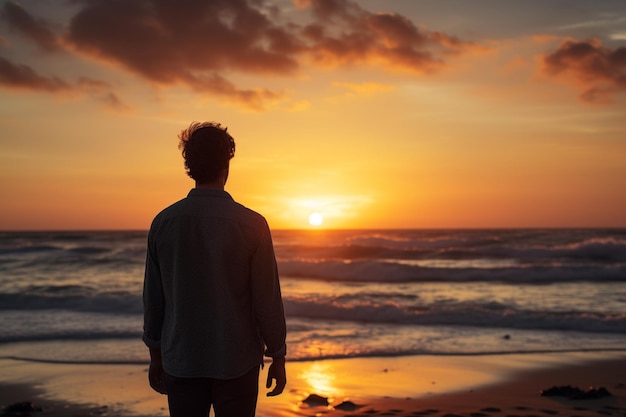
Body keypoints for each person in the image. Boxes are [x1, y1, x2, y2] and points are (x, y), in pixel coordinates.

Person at [142, 121, 287, 417]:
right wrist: (278, 354)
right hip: (237, 359)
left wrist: (155, 354)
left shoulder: (165, 222)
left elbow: (154, 298)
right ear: (227, 163)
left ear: (190, 165)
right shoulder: (252, 224)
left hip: (181, 357)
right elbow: (266, 299)